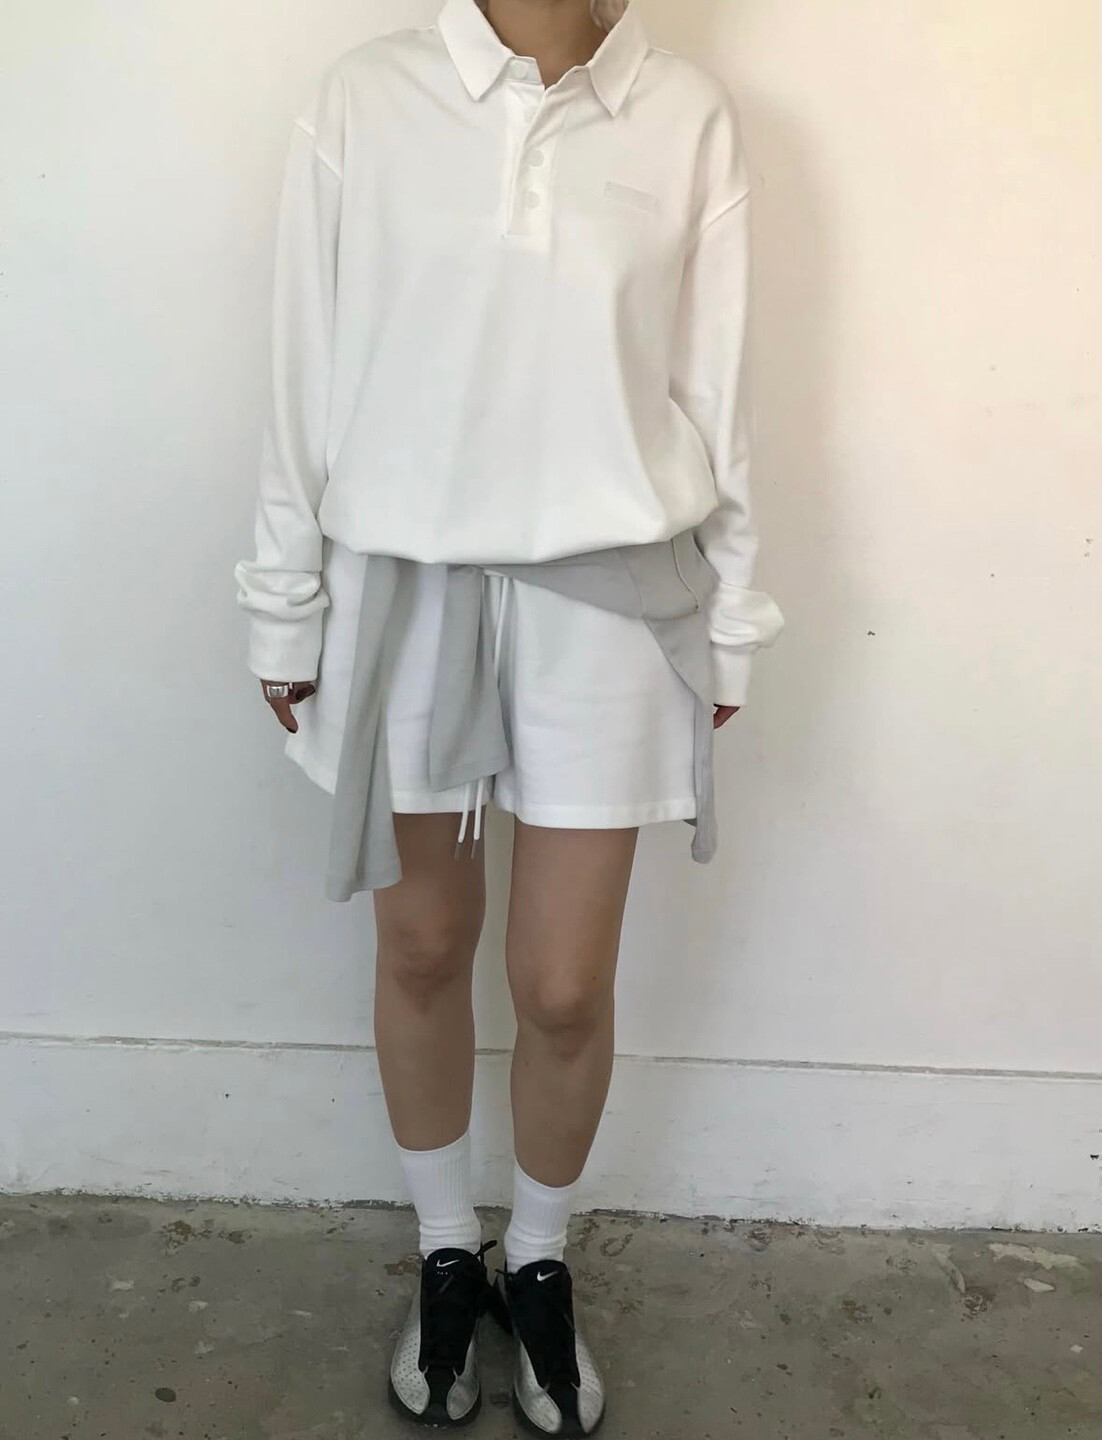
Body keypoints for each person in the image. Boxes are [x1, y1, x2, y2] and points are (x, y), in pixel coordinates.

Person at [234, 0, 783, 1432]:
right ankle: (443, 1254)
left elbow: (716, 389)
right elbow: (302, 367)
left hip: (608, 602)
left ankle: (536, 1260)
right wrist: (282, 599)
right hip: (404, 590)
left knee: (562, 985)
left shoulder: (684, 116)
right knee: (421, 947)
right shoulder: (365, 99)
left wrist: (732, 616)